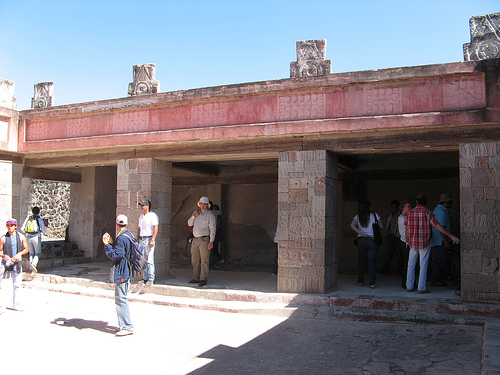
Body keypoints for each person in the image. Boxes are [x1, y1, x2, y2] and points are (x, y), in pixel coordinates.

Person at [405, 194, 460, 294]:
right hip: (424, 243)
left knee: (411, 264)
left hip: (412, 243)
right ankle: (421, 288)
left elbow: (407, 228)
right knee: (423, 265)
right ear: (425, 203)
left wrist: (407, 241)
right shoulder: (428, 213)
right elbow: (438, 226)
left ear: (416, 202)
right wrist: (450, 235)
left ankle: (409, 286)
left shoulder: (410, 213)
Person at [102, 214, 134, 336]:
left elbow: (116, 255)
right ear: (126, 224)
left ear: (116, 224)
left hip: (122, 271)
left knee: (121, 298)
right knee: (121, 297)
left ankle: (127, 326)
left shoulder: (121, 238)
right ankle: (123, 325)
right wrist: (112, 242)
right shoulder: (128, 235)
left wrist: (107, 245)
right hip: (127, 270)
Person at [350, 201, 384, 289]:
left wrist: (361, 233)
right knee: (371, 262)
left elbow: (352, 225)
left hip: (361, 240)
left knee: (361, 261)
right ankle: (372, 282)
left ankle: (360, 280)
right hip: (372, 240)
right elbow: (381, 227)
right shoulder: (375, 215)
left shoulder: (358, 216)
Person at [0, 219, 29, 312]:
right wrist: (4, 255)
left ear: (15, 226)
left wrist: (20, 254)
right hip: (6, 263)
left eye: (12, 226)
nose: (10, 227)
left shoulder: (21, 237)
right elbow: (0, 250)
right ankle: (2, 306)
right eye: (8, 226)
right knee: (3, 285)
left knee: (17, 284)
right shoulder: (3, 238)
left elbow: (26, 249)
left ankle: (16, 304)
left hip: (17, 262)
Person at [187, 196, 216, 287]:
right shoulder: (196, 214)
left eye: (204, 204)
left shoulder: (210, 215)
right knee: (195, 260)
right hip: (195, 239)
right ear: (199, 204)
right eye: (201, 204)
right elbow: (189, 223)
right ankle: (196, 277)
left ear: (207, 205)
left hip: (204, 239)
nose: (202, 205)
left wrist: (211, 241)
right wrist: (193, 216)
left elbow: (213, 229)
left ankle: (203, 278)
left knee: (204, 260)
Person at [430, 193, 454, 287]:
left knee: (441, 260)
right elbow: (441, 228)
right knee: (438, 261)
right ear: (447, 202)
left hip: (440, 240)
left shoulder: (441, 210)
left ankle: (439, 278)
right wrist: (446, 241)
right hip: (440, 241)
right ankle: (436, 279)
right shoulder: (440, 211)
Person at [137, 200, 159, 286]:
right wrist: (137, 237)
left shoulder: (152, 216)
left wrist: (153, 239)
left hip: (149, 238)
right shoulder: (141, 216)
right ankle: (144, 277)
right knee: (143, 259)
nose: (141, 207)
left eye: (143, 205)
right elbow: (139, 228)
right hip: (142, 239)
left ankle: (151, 278)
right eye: (141, 205)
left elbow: (156, 228)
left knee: (149, 259)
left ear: (147, 206)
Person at [21, 206, 46, 273]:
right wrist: (39, 231)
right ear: (38, 212)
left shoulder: (28, 218)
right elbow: (43, 230)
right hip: (36, 237)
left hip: (28, 237)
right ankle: (34, 264)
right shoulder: (39, 219)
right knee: (37, 253)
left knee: (31, 253)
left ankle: (30, 268)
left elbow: (22, 229)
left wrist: (28, 233)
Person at [380, 200, 400, 274]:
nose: (393, 209)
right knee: (387, 253)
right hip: (390, 236)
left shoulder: (400, 216)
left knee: (399, 254)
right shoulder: (390, 216)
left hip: (398, 237)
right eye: (392, 207)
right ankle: (385, 268)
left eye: (394, 207)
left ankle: (399, 269)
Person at [398, 201, 412, 289]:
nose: (410, 208)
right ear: (403, 207)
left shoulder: (404, 217)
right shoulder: (402, 218)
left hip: (405, 241)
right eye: (408, 207)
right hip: (405, 242)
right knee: (407, 263)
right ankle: (406, 282)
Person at [210, 204, 224, 268]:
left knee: (214, 249)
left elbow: (217, 226)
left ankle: (220, 259)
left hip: (216, 235)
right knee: (213, 249)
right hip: (215, 234)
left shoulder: (217, 217)